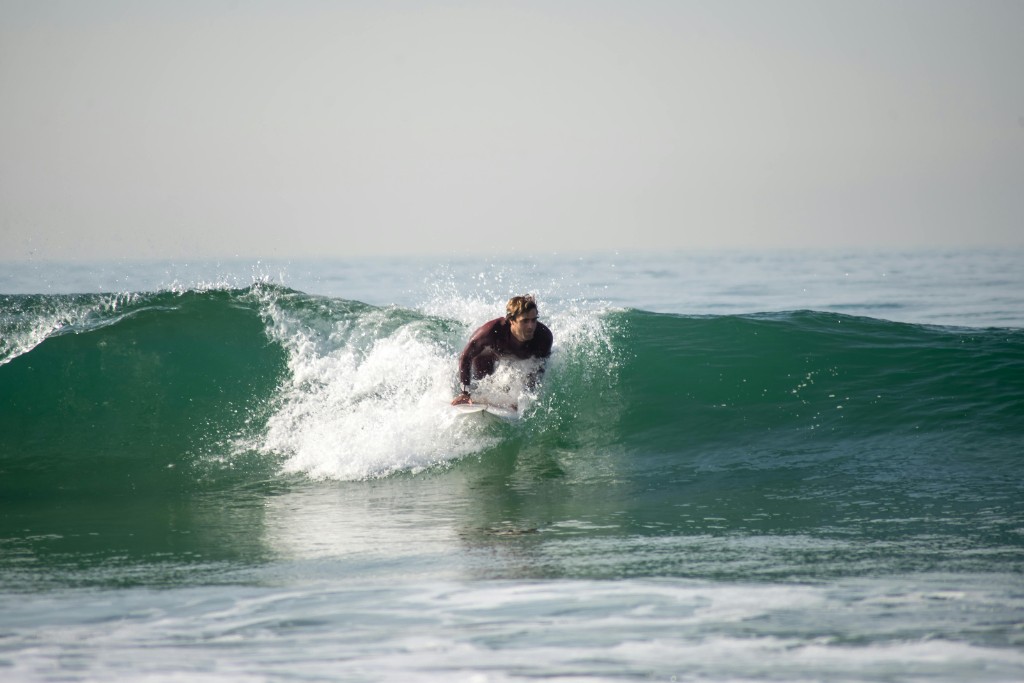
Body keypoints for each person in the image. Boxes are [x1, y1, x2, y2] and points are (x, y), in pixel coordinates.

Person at [451, 295, 553, 405]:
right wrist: (465, 393)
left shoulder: (543, 338)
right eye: (525, 321)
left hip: (513, 358)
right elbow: (466, 357)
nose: (531, 326)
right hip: (488, 354)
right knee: (481, 383)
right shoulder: (492, 332)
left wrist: (524, 399)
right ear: (512, 320)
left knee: (513, 385)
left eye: (534, 320)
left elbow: (537, 369)